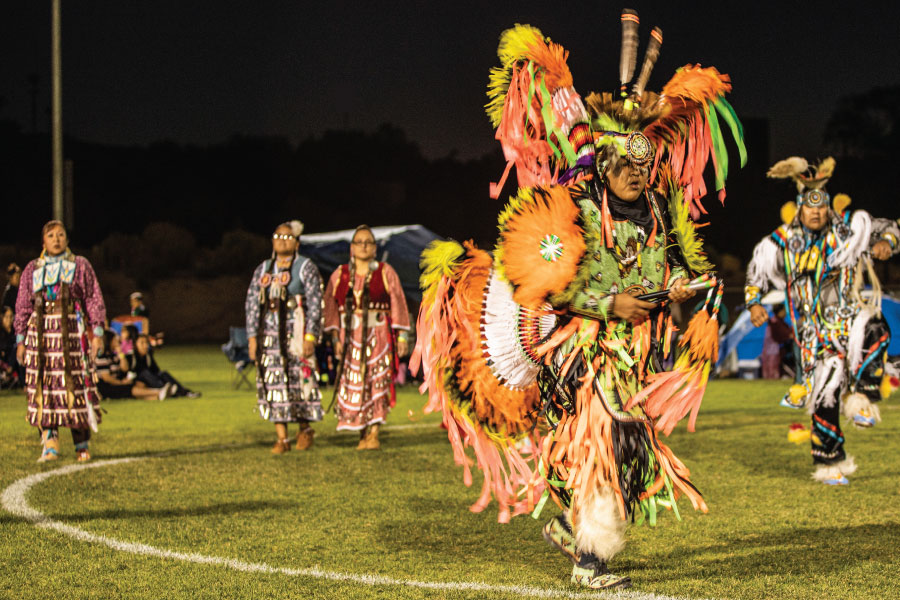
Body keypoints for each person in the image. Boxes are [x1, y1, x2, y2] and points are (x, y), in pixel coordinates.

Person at [413, 14, 745, 590]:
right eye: (625, 167)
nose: (636, 176)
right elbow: (543, 280)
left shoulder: (659, 215)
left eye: (644, 167)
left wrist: (679, 290)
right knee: (610, 436)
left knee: (621, 443)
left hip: (632, 351)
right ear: (607, 166)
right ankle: (590, 558)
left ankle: (574, 533)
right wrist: (608, 304)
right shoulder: (576, 211)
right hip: (581, 347)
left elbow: (667, 273)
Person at [745, 156, 899, 485]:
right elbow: (756, 271)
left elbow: (887, 228)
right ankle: (829, 463)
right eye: (809, 207)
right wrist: (753, 302)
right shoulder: (783, 240)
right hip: (813, 333)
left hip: (849, 316)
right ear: (800, 207)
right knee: (825, 394)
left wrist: (886, 243)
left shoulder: (847, 229)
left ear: (828, 207)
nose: (816, 212)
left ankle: (862, 398)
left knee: (875, 326)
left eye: (821, 207)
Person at [14, 220, 106, 462]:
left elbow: (93, 298)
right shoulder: (32, 268)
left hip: (72, 335)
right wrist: (21, 339)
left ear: (67, 240)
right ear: (43, 241)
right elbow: (23, 304)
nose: (56, 239)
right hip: (41, 336)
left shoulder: (80, 265)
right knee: (43, 388)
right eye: (51, 235)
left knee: (75, 386)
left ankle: (81, 445)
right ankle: (50, 443)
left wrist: (97, 333)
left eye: (61, 235)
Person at [323, 225, 410, 450]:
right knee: (355, 382)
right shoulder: (340, 274)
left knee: (377, 382)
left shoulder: (385, 271)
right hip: (349, 336)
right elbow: (330, 308)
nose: (364, 246)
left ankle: (373, 433)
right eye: (359, 242)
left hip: (379, 335)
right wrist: (335, 339)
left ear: (374, 247)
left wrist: (401, 337)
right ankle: (361, 431)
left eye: (368, 242)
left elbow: (398, 302)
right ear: (352, 248)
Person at [245, 220, 324, 454]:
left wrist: (311, 336)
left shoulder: (305, 267)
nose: (282, 241)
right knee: (272, 381)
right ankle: (282, 438)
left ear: (297, 242)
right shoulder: (264, 269)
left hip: (296, 332)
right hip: (268, 334)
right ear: (272, 241)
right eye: (278, 237)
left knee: (299, 379)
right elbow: (251, 303)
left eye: (288, 237)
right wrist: (252, 338)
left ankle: (305, 429)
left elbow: (315, 304)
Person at [94, 330, 162, 401]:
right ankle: (158, 392)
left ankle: (156, 397)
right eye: (115, 339)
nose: (117, 341)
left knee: (138, 382)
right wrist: (121, 383)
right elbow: (107, 378)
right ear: (109, 341)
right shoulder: (102, 358)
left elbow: (125, 368)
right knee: (128, 388)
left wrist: (120, 353)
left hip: (116, 382)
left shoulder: (114, 356)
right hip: (106, 386)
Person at [127, 333, 199, 398]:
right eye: (142, 343)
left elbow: (155, 370)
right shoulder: (131, 356)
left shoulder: (148, 355)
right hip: (137, 383)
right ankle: (166, 389)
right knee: (145, 373)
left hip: (149, 380)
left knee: (163, 373)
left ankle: (185, 392)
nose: (145, 345)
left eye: (146, 342)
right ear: (135, 344)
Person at [0, 306, 20, 388]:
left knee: (17, 347)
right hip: (2, 361)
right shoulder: (1, 332)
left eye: (11, 317)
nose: (9, 319)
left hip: (13, 361)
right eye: (7, 317)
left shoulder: (15, 333)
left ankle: (11, 372)